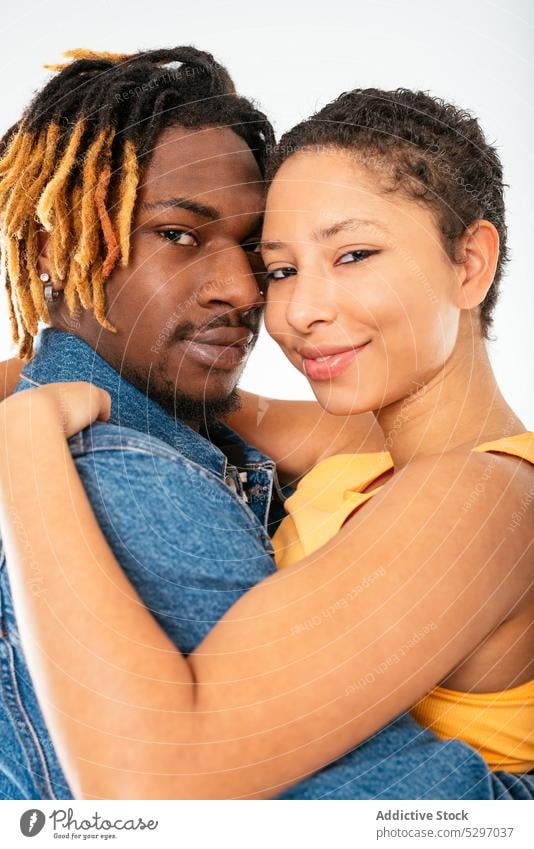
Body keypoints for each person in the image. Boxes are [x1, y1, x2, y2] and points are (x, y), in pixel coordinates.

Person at [0, 54, 531, 799]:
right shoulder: (360, 448)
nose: (284, 306)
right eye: (281, 268)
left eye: (354, 254)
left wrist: (24, 443)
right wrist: (44, 362)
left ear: (469, 264)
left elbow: (156, 780)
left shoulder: (477, 497)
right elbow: (142, 378)